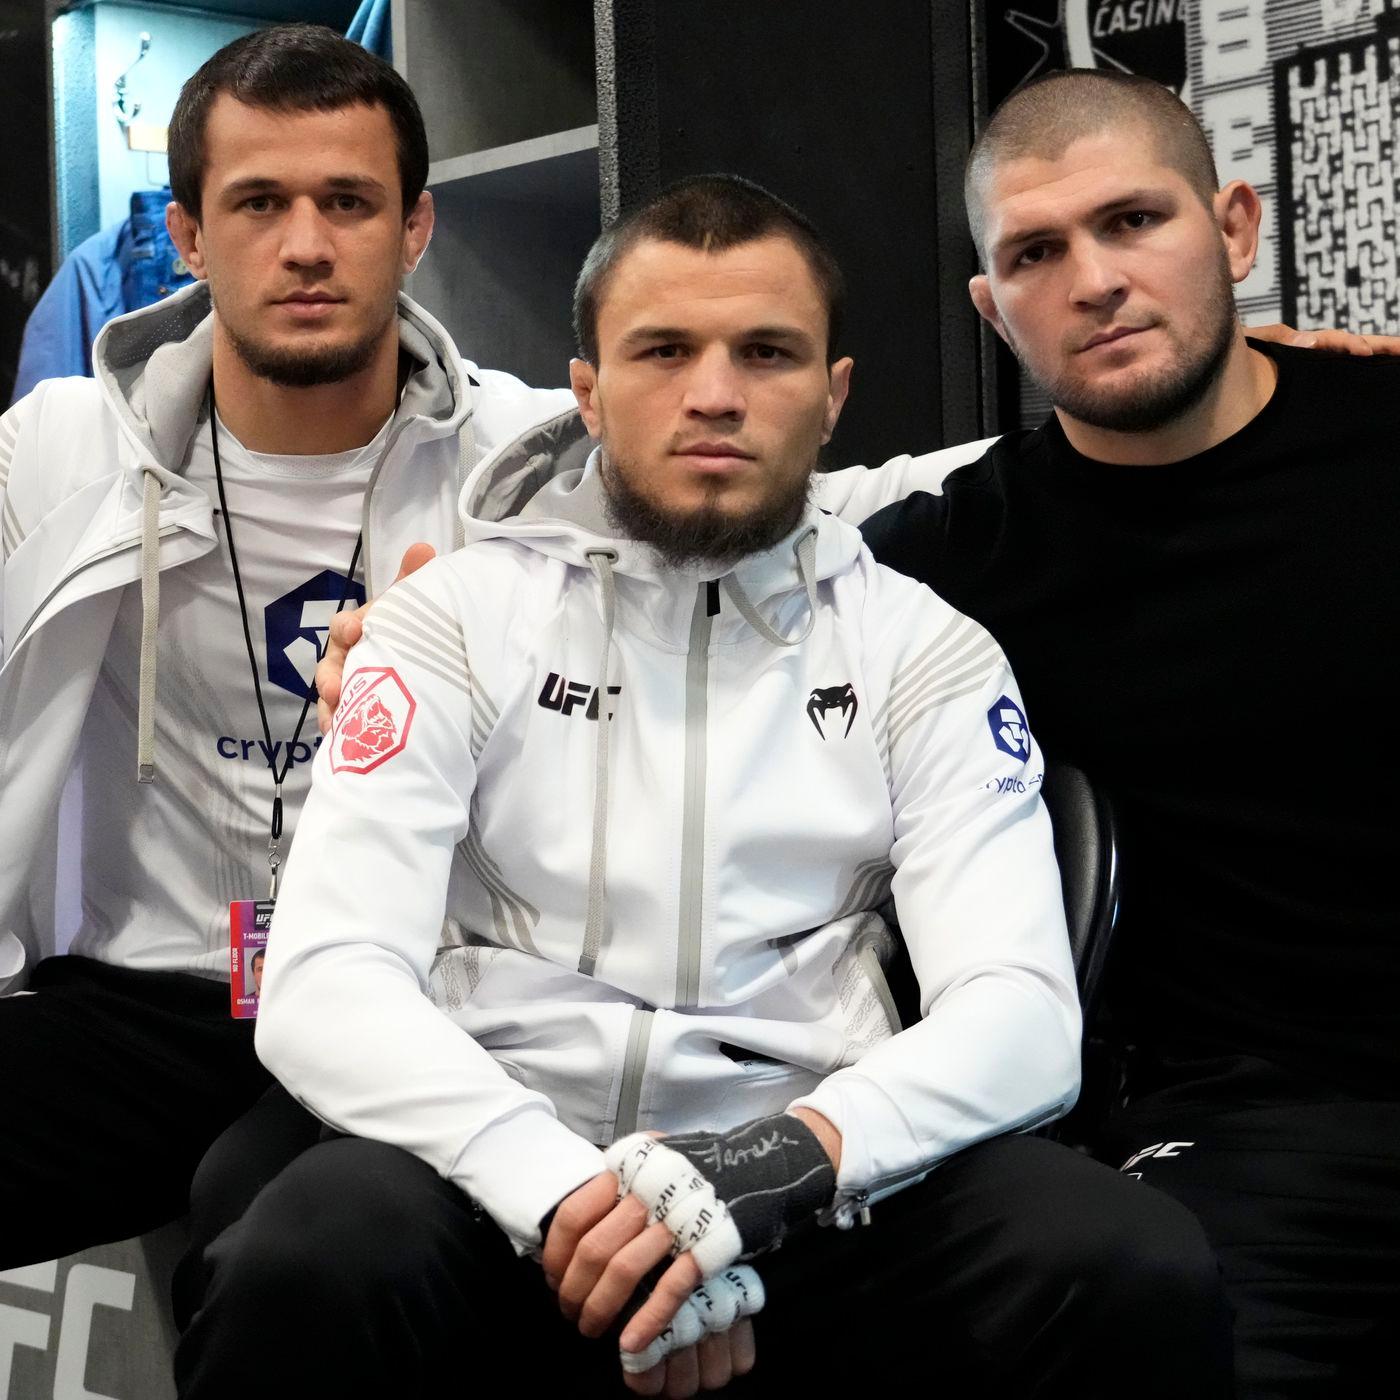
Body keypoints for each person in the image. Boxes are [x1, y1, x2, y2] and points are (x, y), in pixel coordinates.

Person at [176, 174, 1233, 1400]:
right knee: (310, 1250)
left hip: (812, 1187)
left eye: (766, 352)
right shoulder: (449, 623)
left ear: (832, 395)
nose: (714, 393)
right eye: (663, 349)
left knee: (1126, 1261)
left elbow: (1018, 1016)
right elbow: (325, 979)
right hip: (500, 1175)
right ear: (588, 391)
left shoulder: (923, 650)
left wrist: (762, 1175)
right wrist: (575, 1199)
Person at [0, 24, 582, 1269]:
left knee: (276, 1238)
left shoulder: (528, 460)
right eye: (259, 202)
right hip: (147, 994)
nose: (306, 244)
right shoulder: (56, 452)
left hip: (419, 993)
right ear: (193, 234)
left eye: (349, 202)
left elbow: (819, 506)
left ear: (415, 228)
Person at [859, 69, 1400, 1397]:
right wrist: (431, 632)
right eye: (1036, 252)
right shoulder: (939, 565)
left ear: (1233, 228)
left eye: (1132, 222)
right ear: (992, 308)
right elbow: (672, 598)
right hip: (1245, 1132)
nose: (1093, 279)